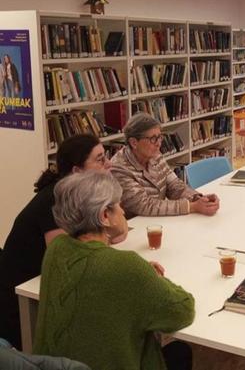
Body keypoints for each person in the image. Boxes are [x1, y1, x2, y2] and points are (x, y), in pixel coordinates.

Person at [33, 171, 195, 370]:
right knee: (180, 351)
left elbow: (96, 277)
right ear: (104, 216)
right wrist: (149, 276)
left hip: (51, 366)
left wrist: (138, 274)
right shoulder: (126, 266)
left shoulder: (57, 249)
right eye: (118, 205)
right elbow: (183, 312)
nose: (124, 211)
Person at [0, 134, 110, 350]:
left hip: (43, 285)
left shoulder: (79, 193)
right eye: (100, 159)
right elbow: (65, 258)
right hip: (21, 299)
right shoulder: (56, 199)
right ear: (77, 171)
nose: (109, 164)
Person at [111, 113, 219, 218]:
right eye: (153, 139)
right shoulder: (119, 168)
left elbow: (174, 185)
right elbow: (144, 205)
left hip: (158, 220)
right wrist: (192, 207)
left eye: (160, 137)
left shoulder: (155, 155)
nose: (158, 143)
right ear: (134, 142)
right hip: (135, 227)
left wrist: (198, 198)